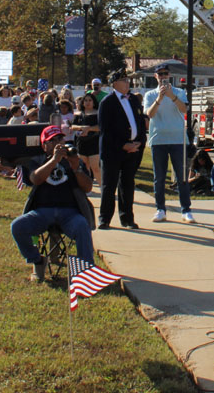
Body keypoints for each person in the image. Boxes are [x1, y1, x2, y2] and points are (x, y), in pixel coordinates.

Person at [9, 125, 96, 281]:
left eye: (60, 138)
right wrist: (54, 160)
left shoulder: (74, 159)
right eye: (52, 140)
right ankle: (37, 260)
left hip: (70, 213)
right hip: (42, 212)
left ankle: (85, 272)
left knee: (82, 225)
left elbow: (88, 187)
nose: (58, 142)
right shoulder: (38, 160)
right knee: (17, 226)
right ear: (44, 145)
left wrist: (76, 168)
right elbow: (35, 179)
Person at [143, 63, 195, 223]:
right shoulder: (150, 95)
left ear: (169, 75)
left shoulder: (179, 92)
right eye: (160, 74)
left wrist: (172, 96)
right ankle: (160, 209)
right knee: (159, 177)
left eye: (165, 74)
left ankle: (186, 210)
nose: (163, 77)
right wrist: (160, 97)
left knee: (182, 177)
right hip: (158, 140)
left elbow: (184, 110)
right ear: (155, 77)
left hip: (178, 140)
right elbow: (149, 114)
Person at [97, 70, 146, 229]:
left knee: (127, 185)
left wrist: (138, 143)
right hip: (113, 151)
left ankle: (127, 219)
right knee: (109, 185)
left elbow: (139, 122)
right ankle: (105, 218)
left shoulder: (133, 100)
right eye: (124, 80)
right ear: (114, 83)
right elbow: (106, 130)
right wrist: (123, 145)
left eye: (127, 80)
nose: (127, 83)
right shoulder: (107, 102)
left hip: (132, 150)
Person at [71, 92, 101, 185]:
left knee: (95, 168)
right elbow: (72, 126)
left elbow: (101, 127)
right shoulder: (79, 114)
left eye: (90, 100)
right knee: (84, 168)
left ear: (94, 102)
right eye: (86, 100)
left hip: (94, 143)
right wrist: (81, 128)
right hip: (82, 143)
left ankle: (103, 187)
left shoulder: (98, 113)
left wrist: (89, 128)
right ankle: (87, 187)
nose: (88, 102)